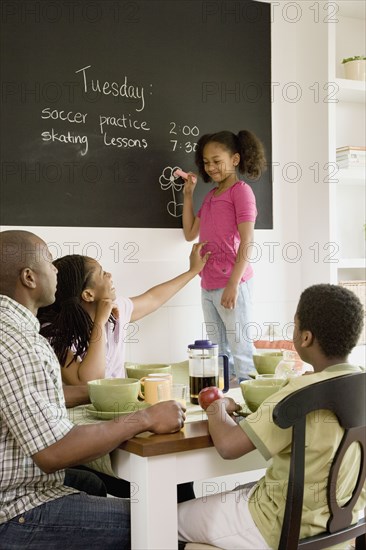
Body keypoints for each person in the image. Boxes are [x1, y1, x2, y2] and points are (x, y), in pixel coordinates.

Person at [0, 229, 187, 549]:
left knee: (89, 481)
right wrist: (144, 418)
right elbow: (53, 452)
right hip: (18, 509)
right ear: (29, 278)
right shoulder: (19, 343)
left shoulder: (14, 329)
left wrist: (98, 393)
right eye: (48, 260)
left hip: (24, 487)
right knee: (165, 517)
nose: (55, 268)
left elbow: (30, 398)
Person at [178, 283, 365, 549]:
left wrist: (217, 406)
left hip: (273, 526)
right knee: (236, 493)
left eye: (295, 325)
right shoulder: (359, 384)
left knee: (168, 518)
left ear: (306, 337)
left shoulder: (299, 391)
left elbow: (228, 446)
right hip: (338, 531)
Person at [38, 246, 208, 384]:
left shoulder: (115, 310)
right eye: (102, 273)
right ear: (88, 295)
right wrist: (100, 322)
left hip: (122, 404)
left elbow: (153, 298)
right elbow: (90, 383)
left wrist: (192, 271)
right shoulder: (54, 335)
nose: (109, 275)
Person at [182, 130, 266, 382]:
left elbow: (248, 241)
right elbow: (189, 233)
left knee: (241, 351)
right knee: (219, 353)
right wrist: (188, 195)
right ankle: (228, 404)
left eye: (217, 161)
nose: (211, 167)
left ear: (235, 159)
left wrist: (233, 284)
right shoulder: (209, 197)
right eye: (206, 162)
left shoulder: (240, 192)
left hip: (233, 283)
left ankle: (250, 408)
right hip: (208, 285)